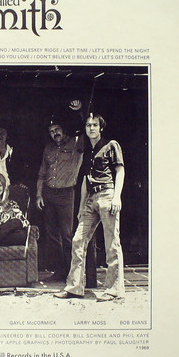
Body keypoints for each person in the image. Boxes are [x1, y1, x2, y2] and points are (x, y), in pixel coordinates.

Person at [54, 113, 125, 301]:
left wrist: (117, 197)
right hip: (91, 199)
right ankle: (74, 287)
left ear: (101, 127)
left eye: (94, 125)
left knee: (112, 243)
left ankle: (114, 289)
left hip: (107, 195)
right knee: (78, 240)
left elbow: (120, 170)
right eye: (88, 125)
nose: (91, 128)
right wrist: (81, 206)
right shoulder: (87, 152)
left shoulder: (111, 145)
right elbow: (85, 180)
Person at [36, 100, 84, 280]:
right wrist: (39, 195)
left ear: (63, 129)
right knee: (52, 235)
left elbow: (86, 131)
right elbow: (42, 173)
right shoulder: (48, 148)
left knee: (67, 234)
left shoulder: (75, 144)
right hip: (49, 194)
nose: (54, 133)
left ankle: (72, 272)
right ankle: (59, 271)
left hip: (66, 195)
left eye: (56, 129)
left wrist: (79, 112)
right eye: (51, 131)